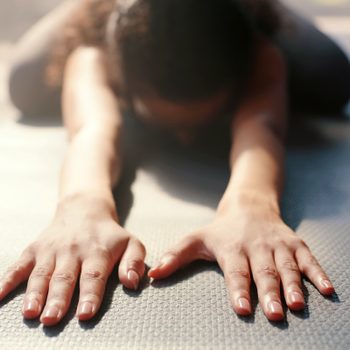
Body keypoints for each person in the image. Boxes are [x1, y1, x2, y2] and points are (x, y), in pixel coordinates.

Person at [1, 0, 350, 327]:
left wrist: (253, 205)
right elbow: (93, 130)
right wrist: (82, 206)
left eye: (200, 121)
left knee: (332, 76)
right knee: (25, 83)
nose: (185, 140)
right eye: (168, 123)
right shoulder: (97, 55)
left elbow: (262, 127)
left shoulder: (259, 55)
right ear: (123, 84)